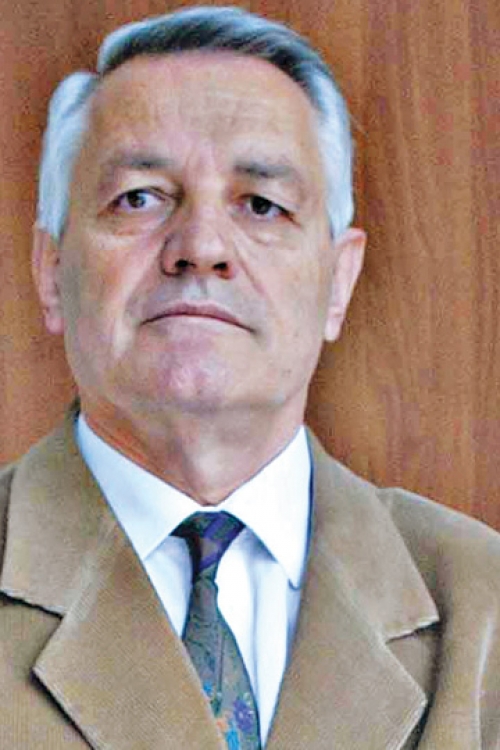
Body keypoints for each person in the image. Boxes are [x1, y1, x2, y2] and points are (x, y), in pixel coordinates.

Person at [1, 6, 499, 749]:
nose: (201, 247)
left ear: (339, 282)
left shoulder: (485, 607)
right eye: (139, 197)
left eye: (262, 205)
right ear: (50, 271)